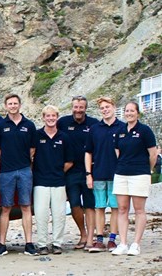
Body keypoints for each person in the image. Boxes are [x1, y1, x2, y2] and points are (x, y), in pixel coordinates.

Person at [110, 102, 158, 256]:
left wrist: (147, 169)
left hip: (140, 174)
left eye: (132, 111)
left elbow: (153, 154)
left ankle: (136, 244)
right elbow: (118, 152)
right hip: (121, 173)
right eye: (126, 111)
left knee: (139, 210)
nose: (129, 113)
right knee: (122, 209)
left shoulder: (145, 130)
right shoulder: (120, 131)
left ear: (137, 113)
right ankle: (123, 243)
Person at [0, 93, 38, 256]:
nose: (12, 106)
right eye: (10, 103)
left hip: (25, 170)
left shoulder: (30, 125)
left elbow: (33, 148)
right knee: (5, 207)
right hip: (6, 172)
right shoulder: (0, 125)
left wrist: (24, 160)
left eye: (15, 103)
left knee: (26, 206)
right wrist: (5, 159)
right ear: (6, 106)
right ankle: (1, 244)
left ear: (20, 105)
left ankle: (29, 243)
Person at [57, 96, 97, 250]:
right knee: (74, 204)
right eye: (76, 107)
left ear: (85, 108)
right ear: (72, 107)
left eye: (81, 107)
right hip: (70, 171)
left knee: (90, 205)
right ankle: (83, 234)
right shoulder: (63, 123)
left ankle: (91, 238)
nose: (78, 110)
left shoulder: (93, 124)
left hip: (89, 171)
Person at [33, 105, 74, 255]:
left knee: (59, 214)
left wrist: (57, 171)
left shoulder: (64, 137)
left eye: (53, 116)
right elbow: (31, 156)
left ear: (57, 117)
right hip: (40, 181)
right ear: (43, 118)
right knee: (41, 214)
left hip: (58, 181)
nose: (50, 118)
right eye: (47, 116)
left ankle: (57, 243)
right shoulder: (36, 136)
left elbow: (70, 161)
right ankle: (42, 244)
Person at [85, 97, 124, 252]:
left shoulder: (122, 127)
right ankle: (99, 239)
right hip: (98, 173)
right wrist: (89, 174)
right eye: (102, 108)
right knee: (99, 207)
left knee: (115, 207)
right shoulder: (94, 129)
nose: (105, 110)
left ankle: (113, 239)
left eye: (107, 107)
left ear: (114, 107)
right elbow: (88, 152)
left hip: (118, 175)